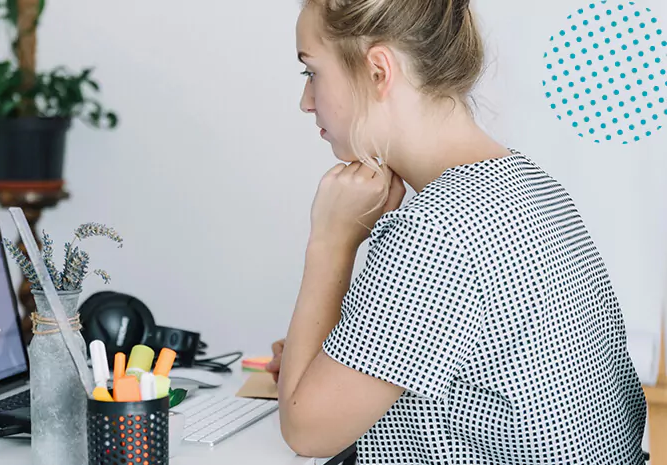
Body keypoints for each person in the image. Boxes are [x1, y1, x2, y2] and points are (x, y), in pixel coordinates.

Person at [266, 0, 648, 463]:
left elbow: (307, 431)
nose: (306, 102)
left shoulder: (438, 228)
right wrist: (328, 367)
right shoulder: (531, 184)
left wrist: (330, 242)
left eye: (311, 73)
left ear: (378, 71)